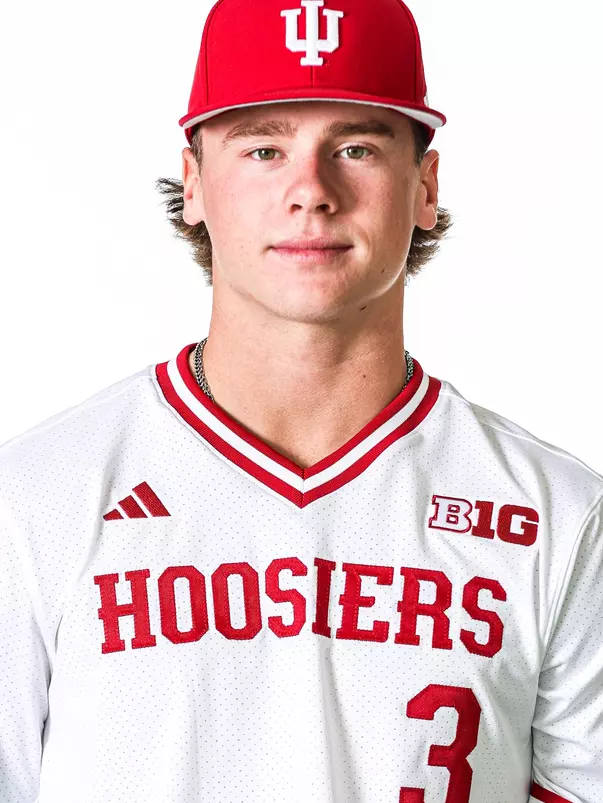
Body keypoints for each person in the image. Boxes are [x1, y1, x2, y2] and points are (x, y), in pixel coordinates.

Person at [1, 0, 601, 800]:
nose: (310, 190)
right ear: (194, 183)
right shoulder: (36, 496)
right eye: (262, 148)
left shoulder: (556, 514)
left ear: (423, 186)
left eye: (354, 146)